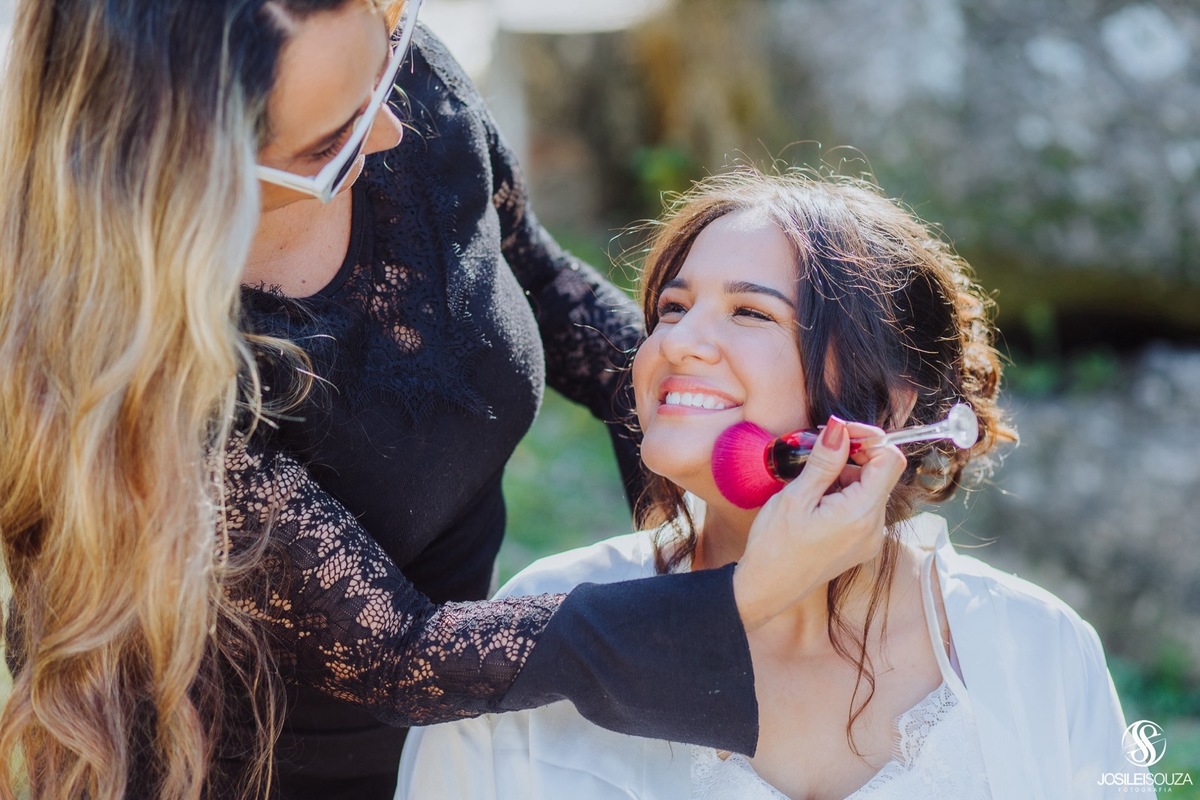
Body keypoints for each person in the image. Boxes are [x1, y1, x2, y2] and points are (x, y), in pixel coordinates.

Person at [0, 3, 907, 800]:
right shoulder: (152, 374)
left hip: (468, 727)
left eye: (388, 55)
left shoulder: (393, 87)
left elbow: (542, 286)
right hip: (263, 770)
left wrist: (720, 458)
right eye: (330, 145)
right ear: (180, 176)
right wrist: (745, 594)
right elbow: (401, 655)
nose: (392, 129)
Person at [398, 168, 1143, 799]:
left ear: (891, 400)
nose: (675, 343)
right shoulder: (538, 631)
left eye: (750, 312)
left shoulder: (1033, 648)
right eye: (672, 308)